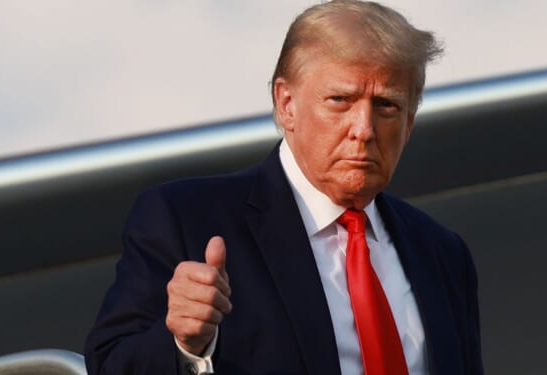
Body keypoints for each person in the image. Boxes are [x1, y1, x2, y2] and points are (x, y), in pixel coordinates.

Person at [84, 0, 483, 374]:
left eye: (387, 106)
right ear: (286, 104)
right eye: (340, 99)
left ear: (410, 121)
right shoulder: (185, 219)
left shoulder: (442, 253)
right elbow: (111, 365)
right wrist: (185, 345)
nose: (363, 129)